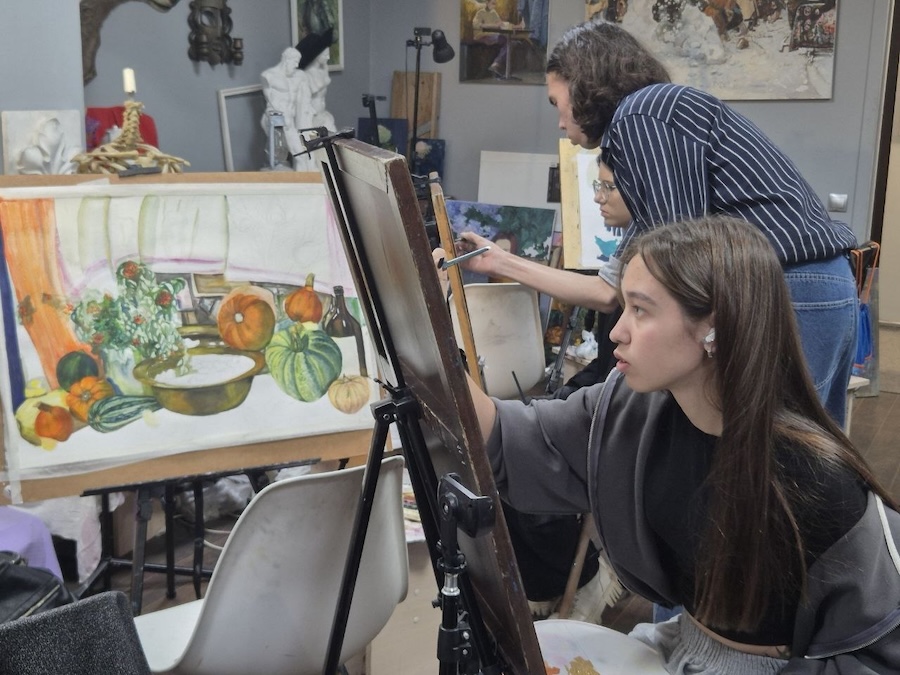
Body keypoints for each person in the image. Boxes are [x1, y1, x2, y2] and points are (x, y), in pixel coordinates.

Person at [457, 215, 900, 672]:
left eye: (640, 310)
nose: (616, 332)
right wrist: (430, 331)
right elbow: (513, 438)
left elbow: (881, 649)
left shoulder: (816, 483)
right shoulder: (635, 408)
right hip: (678, 644)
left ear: (715, 328)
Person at [469, 18, 858, 430]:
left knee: (780, 452)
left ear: (581, 80)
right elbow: (608, 291)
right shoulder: (651, 122)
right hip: (815, 284)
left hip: (791, 287)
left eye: (555, 102)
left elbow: (676, 267)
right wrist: (500, 262)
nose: (560, 122)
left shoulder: (640, 114)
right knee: (810, 450)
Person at [260, 47, 308, 165]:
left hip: (290, 121)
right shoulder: (269, 76)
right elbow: (271, 102)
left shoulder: (297, 76)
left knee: (303, 154)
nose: (297, 65)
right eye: (295, 61)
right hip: (277, 121)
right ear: (287, 59)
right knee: (295, 155)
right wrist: (280, 118)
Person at [472, 0, 523, 80]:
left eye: (495, 4)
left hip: (493, 36)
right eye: (492, 3)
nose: (494, 6)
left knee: (512, 43)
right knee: (507, 41)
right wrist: (493, 26)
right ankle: (497, 64)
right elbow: (476, 25)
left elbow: (501, 24)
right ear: (487, 3)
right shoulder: (480, 13)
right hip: (482, 36)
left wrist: (515, 26)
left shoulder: (494, 13)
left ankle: (497, 65)